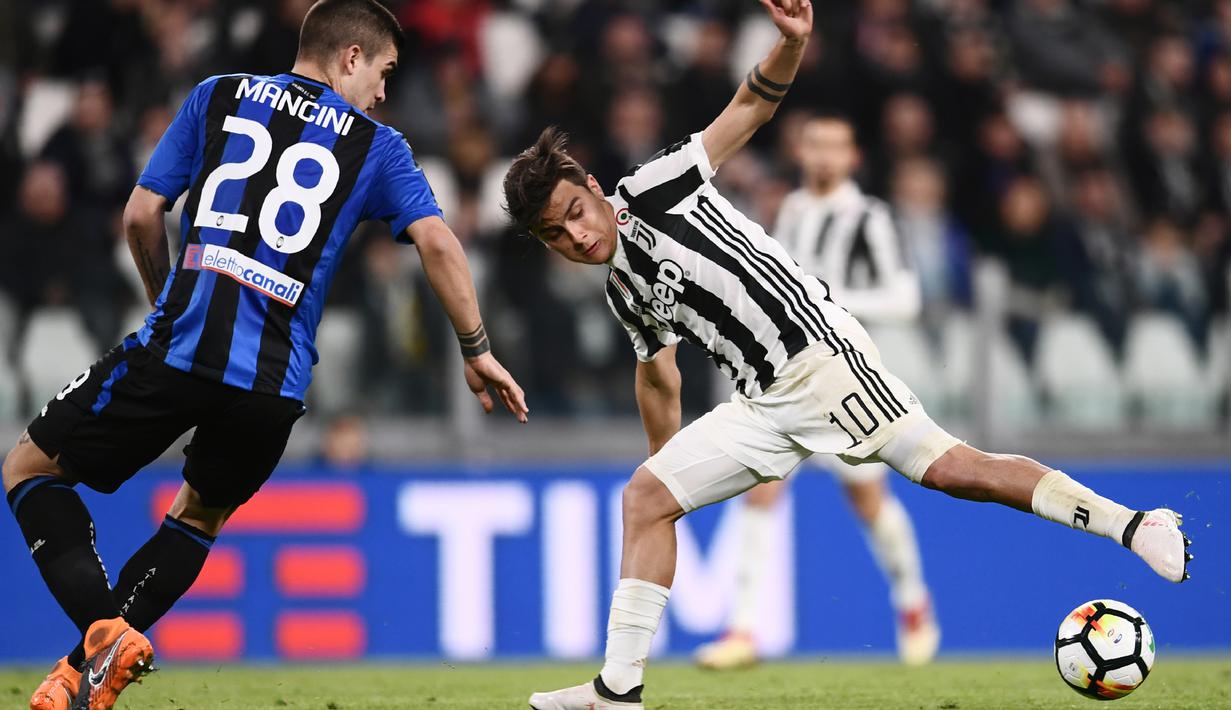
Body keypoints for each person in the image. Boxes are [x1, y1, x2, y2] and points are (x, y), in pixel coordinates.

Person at [502, 2, 1190, 708]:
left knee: (954, 471)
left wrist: (790, 44)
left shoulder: (651, 189)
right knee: (644, 499)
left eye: (575, 215)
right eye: (556, 236)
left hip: (821, 360)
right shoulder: (622, 288)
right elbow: (657, 375)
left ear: (592, 189)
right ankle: (617, 693)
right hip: (759, 402)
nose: (577, 238)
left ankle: (1134, 524)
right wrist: (666, 471)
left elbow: (748, 109)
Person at [3, 2, 528, 709]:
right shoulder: (379, 145)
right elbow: (438, 241)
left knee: (29, 468)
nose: (382, 93)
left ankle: (101, 632)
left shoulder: (215, 95)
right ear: (349, 57)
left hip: (182, 345)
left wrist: (168, 303)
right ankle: (78, 675)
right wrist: (476, 349)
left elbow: (138, 214)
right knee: (196, 517)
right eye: (382, 72)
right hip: (273, 385)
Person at [693, 113, 938, 671]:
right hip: (786, 383)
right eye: (815, 145)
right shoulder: (793, 211)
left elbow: (905, 298)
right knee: (759, 492)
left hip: (850, 384)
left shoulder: (870, 217)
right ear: (802, 152)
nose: (824, 156)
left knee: (869, 502)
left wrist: (828, 300)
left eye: (836, 146)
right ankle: (743, 630)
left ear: (854, 157)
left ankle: (913, 604)